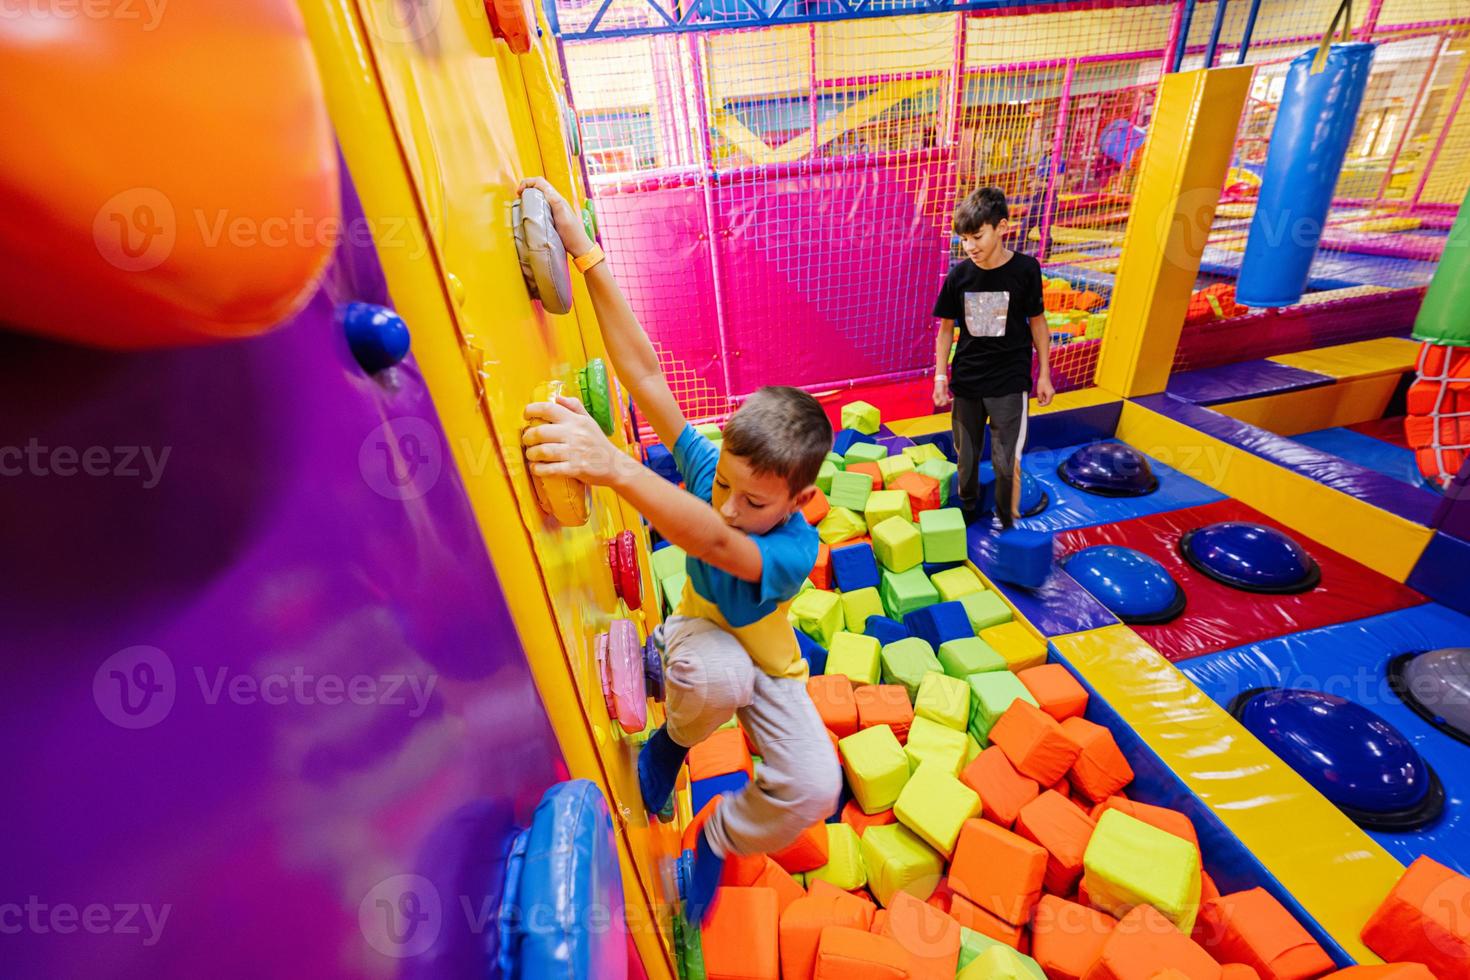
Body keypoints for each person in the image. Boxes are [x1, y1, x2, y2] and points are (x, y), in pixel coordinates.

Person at [517, 177, 842, 925]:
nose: (727, 500)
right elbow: (645, 375)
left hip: (772, 666)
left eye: (753, 500)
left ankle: (721, 840)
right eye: (722, 479)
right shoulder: (711, 469)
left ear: (794, 503)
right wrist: (587, 254)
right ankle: (672, 735)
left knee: (813, 786)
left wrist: (613, 465)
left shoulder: (792, 547)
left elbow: (715, 539)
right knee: (709, 672)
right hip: (704, 642)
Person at [931, 186, 1054, 528]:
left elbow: (1038, 322)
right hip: (968, 380)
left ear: (1001, 227)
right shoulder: (959, 276)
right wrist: (940, 377)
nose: (970, 247)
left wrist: (1044, 374)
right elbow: (945, 331)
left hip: (1009, 382)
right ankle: (968, 509)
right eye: (964, 239)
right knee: (966, 458)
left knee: (1005, 461)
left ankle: (1007, 520)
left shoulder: (1026, 270)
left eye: (977, 236)